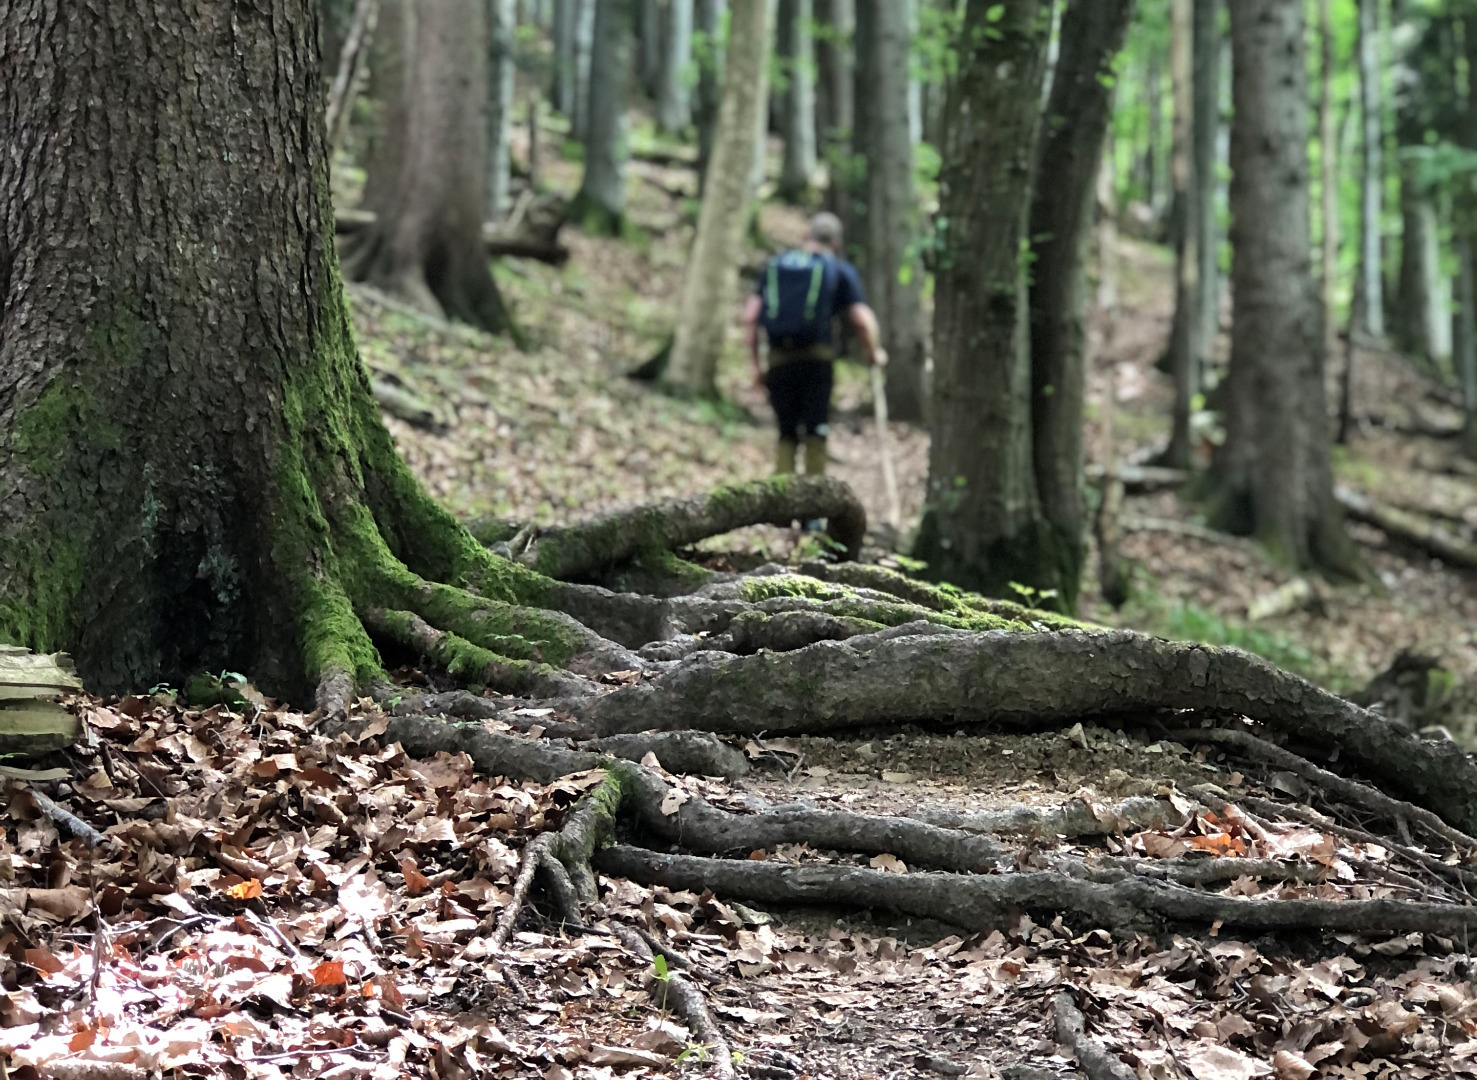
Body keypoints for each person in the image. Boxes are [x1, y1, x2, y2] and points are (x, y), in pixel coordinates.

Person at [743, 212, 886, 477]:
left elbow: (751, 316)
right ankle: (813, 511)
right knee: (815, 428)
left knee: (786, 432)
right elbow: (862, 319)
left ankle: (781, 505)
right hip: (817, 360)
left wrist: (755, 366)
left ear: (806, 236)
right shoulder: (839, 269)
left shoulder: (776, 265)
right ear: (836, 243)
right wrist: (873, 353)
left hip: (777, 360)